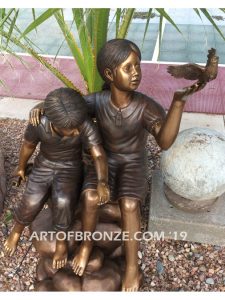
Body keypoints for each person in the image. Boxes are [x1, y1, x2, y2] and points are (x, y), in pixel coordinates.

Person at [29, 39, 206, 291]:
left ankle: (132, 267)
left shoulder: (144, 106)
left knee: (130, 204)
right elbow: (68, 105)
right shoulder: (98, 101)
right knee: (90, 196)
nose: (136, 73)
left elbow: (165, 141)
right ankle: (87, 247)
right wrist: (42, 106)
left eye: (138, 66)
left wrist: (177, 103)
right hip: (105, 161)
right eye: (128, 68)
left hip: (133, 163)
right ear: (110, 74)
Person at [4, 87, 109, 270]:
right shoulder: (39, 122)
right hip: (44, 165)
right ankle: (16, 231)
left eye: (78, 127)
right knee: (31, 199)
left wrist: (102, 182)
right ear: (54, 122)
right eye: (71, 129)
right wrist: (21, 167)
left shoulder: (83, 124)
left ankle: (61, 242)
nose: (77, 132)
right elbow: (28, 145)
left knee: (64, 200)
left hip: (70, 168)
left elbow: (98, 155)